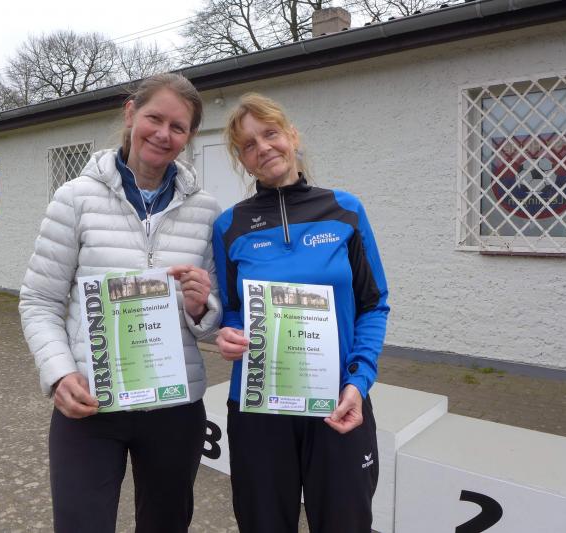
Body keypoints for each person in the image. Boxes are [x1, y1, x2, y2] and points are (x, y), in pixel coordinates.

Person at [19, 73, 222, 533]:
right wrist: (59, 373)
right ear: (131, 113)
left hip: (174, 408)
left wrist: (201, 307)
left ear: (189, 136)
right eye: (155, 118)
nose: (163, 134)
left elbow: (212, 318)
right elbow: (39, 300)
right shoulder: (75, 198)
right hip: (91, 404)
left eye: (178, 127)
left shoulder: (206, 210)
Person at [212, 93, 389, 533]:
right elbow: (230, 310)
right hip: (258, 410)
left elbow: (373, 304)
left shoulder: (345, 211)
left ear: (292, 136)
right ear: (242, 161)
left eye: (270, 133)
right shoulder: (229, 226)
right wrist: (228, 333)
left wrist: (359, 381)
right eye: (248, 145)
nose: (263, 148)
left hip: (337, 402)